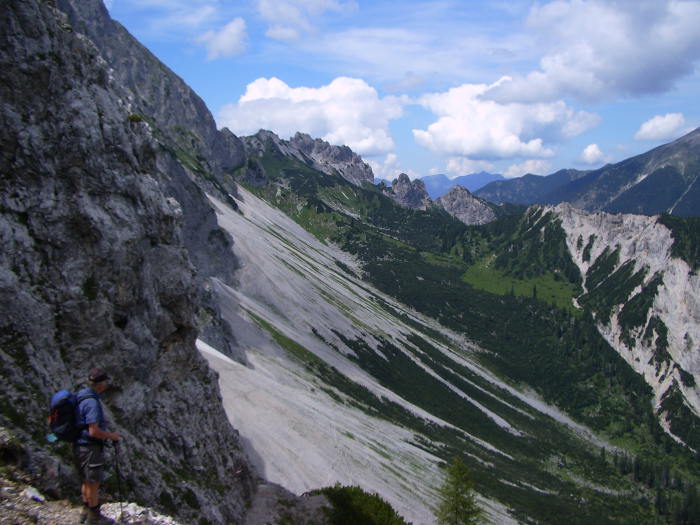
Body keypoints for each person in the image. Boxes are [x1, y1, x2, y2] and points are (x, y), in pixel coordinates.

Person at [74, 367, 120, 525]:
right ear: (100, 384)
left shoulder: (81, 395)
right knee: (94, 482)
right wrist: (111, 436)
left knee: (86, 481)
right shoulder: (92, 402)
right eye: (106, 381)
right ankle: (94, 517)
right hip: (90, 447)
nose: (107, 384)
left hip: (79, 445)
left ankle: (85, 511)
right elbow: (93, 431)